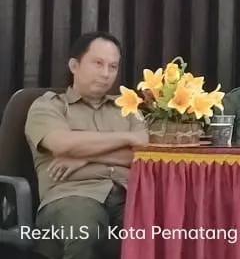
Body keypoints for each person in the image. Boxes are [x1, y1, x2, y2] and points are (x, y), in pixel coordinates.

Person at [24, 32, 149, 259]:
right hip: (72, 194)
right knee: (84, 232)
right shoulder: (48, 106)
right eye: (98, 63)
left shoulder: (127, 108)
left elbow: (144, 154)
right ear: (74, 65)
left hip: (128, 193)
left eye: (112, 66)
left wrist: (85, 156)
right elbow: (62, 144)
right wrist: (128, 138)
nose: (105, 74)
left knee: (166, 228)